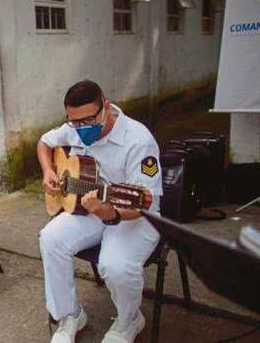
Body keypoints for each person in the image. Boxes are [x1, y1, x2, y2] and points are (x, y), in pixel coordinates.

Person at [37, 80, 162, 343]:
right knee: (51, 238)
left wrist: (112, 214)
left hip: (135, 216)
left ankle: (130, 320)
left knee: (114, 265)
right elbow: (44, 142)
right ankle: (70, 315)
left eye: (88, 120)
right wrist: (49, 171)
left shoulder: (138, 141)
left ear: (105, 106)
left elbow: (143, 203)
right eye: (74, 122)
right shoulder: (75, 127)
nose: (82, 128)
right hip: (89, 208)